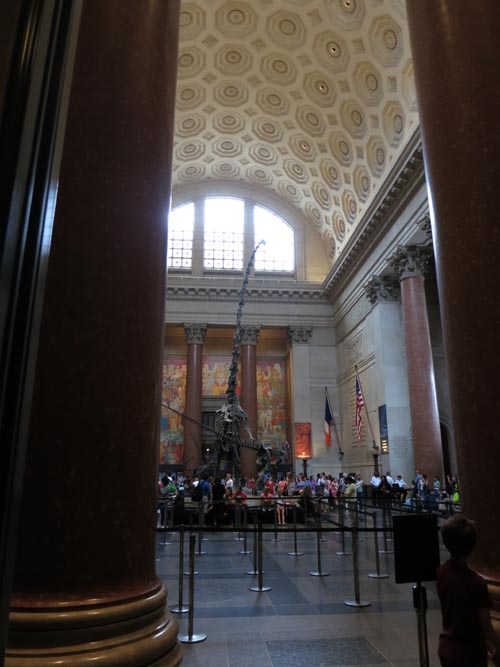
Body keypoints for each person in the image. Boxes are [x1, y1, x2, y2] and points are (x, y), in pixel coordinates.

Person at [437, 515, 500, 666]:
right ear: (473, 546)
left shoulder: (442, 571)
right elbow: (486, 626)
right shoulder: (476, 583)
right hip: (469, 653)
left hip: (447, 646)